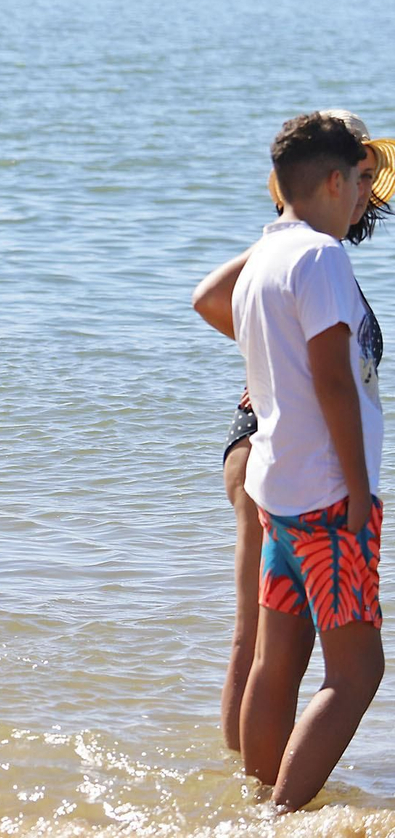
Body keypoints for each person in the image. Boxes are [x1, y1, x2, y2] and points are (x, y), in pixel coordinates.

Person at [192, 110, 391, 753]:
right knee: (282, 647)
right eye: (361, 175)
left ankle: (248, 797)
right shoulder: (310, 252)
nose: (369, 190)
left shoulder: (302, 251)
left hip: (281, 454)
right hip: (296, 455)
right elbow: (331, 381)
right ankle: (271, 806)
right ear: (332, 178)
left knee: (272, 648)